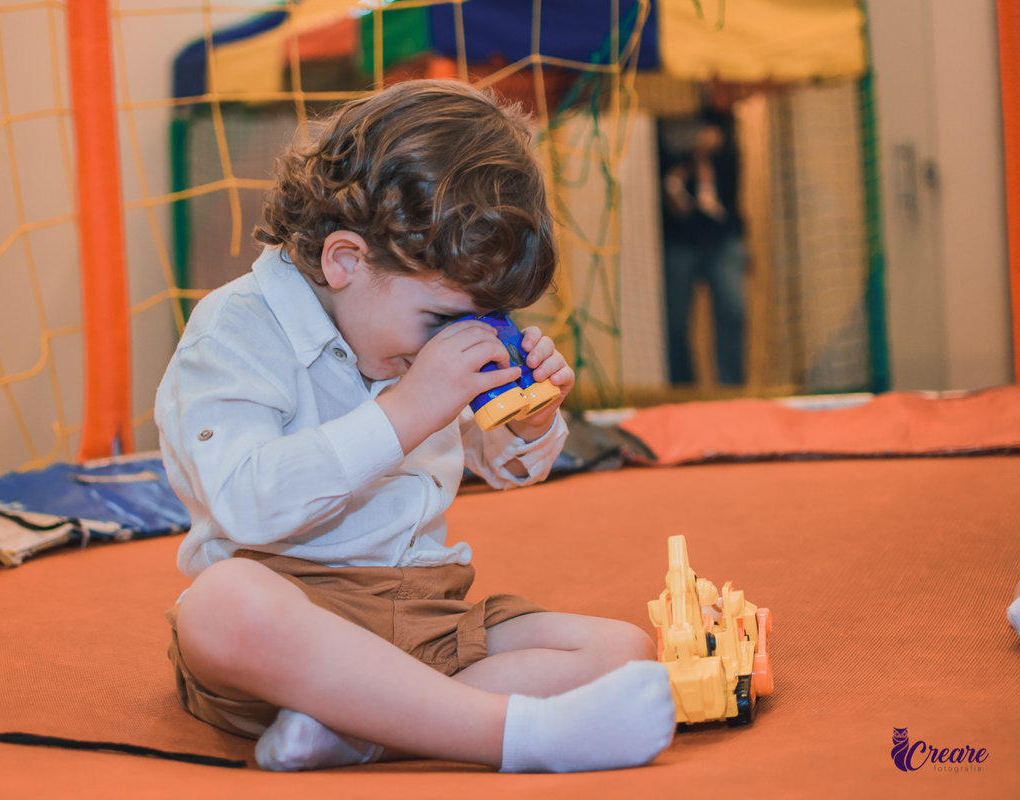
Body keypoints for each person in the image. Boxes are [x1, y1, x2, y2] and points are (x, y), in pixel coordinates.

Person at [155, 79, 675, 774]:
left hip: (424, 613)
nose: (450, 344)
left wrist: (528, 424)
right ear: (345, 260)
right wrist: (403, 411)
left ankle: (365, 728)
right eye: (440, 320)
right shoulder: (236, 331)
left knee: (625, 654)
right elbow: (248, 503)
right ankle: (515, 734)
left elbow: (495, 461)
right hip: (291, 619)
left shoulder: (395, 328)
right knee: (220, 608)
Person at [659, 108, 747, 386]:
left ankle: (731, 387)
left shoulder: (724, 119)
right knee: (675, 322)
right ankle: (683, 389)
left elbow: (732, 185)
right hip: (679, 238)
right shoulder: (663, 120)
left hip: (721, 236)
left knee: (733, 311)